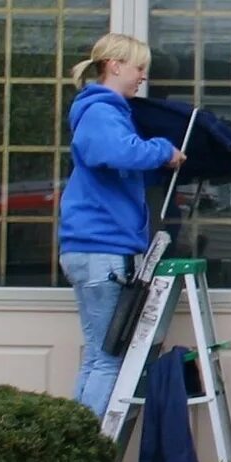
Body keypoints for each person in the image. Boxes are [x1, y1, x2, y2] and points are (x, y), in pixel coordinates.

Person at [57, 31, 185, 414]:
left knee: (99, 357)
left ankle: (77, 451)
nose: (142, 76)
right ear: (114, 65)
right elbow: (118, 152)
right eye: (139, 67)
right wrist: (163, 151)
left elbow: (117, 166)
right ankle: (91, 461)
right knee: (109, 360)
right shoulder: (100, 110)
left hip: (94, 249)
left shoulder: (106, 113)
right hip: (103, 250)